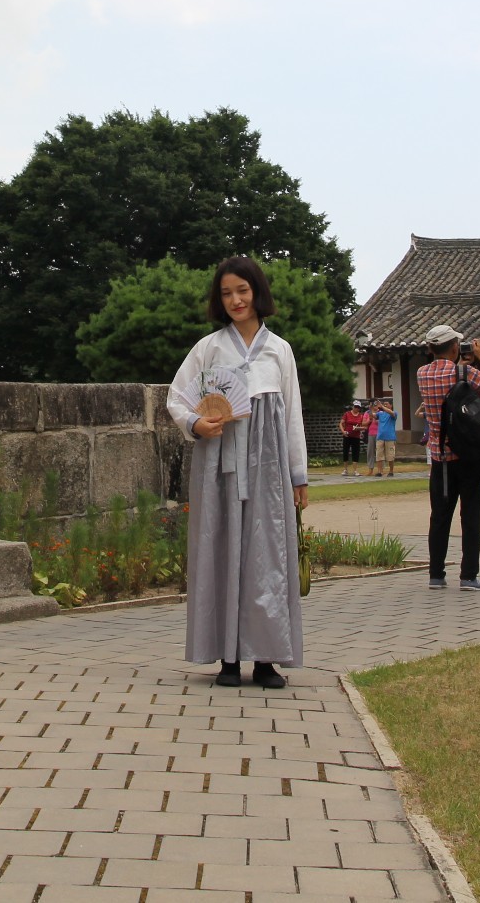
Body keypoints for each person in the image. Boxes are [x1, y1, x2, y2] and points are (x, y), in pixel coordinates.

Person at [167, 256, 310, 690]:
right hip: (220, 465)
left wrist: (297, 475)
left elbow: (292, 415)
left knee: (267, 558)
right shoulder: (209, 348)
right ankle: (227, 657)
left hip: (268, 469)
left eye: (242, 291)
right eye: (227, 293)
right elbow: (177, 397)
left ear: (257, 292)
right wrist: (196, 424)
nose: (235, 300)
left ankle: (265, 658)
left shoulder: (278, 350)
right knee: (221, 550)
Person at [415, 324, 480, 591]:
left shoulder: (421, 373)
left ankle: (436, 575)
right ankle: (468, 576)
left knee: (439, 516)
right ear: (454, 347)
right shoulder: (463, 372)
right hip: (469, 456)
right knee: (470, 515)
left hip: (440, 458)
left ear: (429, 349)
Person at [338, 400, 369, 477]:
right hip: (347, 435)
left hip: (356, 436)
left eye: (358, 407)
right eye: (355, 407)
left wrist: (358, 428)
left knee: (355, 452)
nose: (357, 408)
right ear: (353, 407)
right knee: (346, 451)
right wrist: (343, 431)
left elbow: (364, 427)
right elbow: (341, 423)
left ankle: (355, 470)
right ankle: (345, 469)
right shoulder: (347, 414)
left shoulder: (361, 416)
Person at [373, 396, 398, 477]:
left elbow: (390, 412)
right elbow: (373, 415)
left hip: (390, 437)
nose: (385, 405)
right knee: (379, 455)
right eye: (384, 404)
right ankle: (379, 471)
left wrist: (382, 407)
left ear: (391, 405)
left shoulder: (393, 413)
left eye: (387, 404)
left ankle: (391, 471)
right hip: (380, 437)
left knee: (390, 456)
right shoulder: (380, 413)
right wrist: (371, 407)